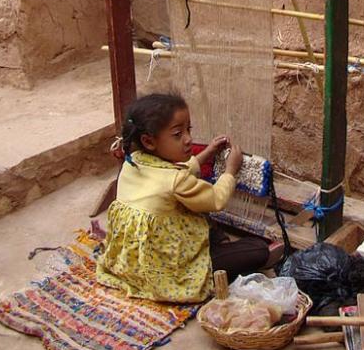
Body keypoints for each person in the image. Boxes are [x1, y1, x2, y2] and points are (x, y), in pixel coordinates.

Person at [96, 92, 269, 302]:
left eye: (189, 129)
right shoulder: (176, 180)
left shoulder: (133, 161)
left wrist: (207, 153)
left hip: (134, 261)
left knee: (201, 219)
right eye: (178, 134)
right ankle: (207, 260)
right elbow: (216, 199)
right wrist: (230, 171)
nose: (188, 139)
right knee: (258, 249)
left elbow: (173, 174)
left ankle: (214, 246)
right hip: (166, 268)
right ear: (149, 141)